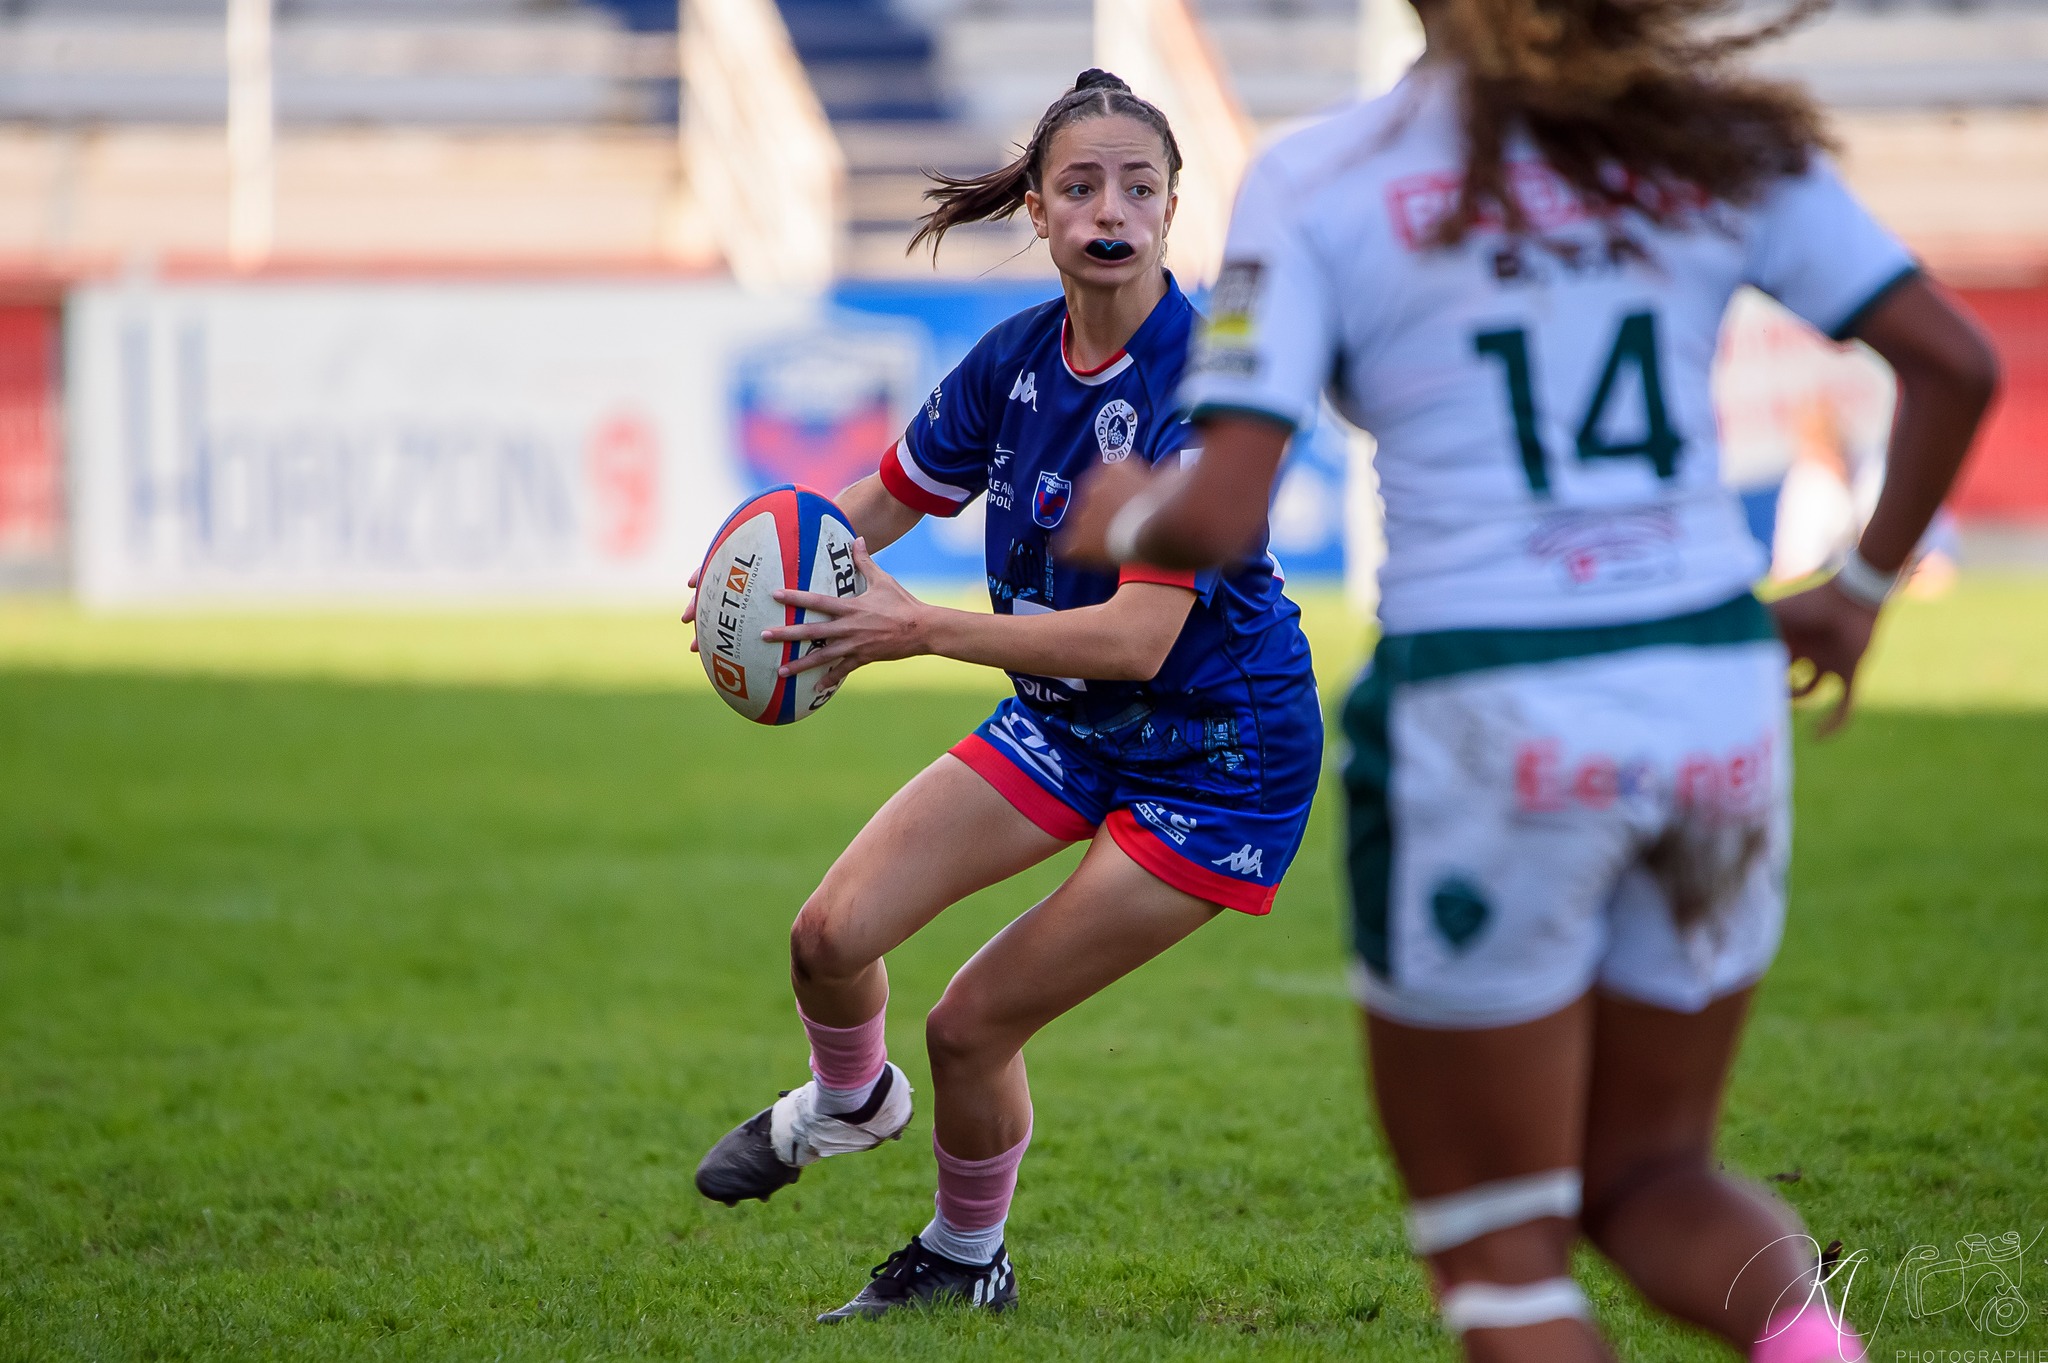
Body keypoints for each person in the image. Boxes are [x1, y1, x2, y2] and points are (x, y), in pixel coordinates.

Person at [1061, 1, 1998, 1358]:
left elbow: (1218, 519)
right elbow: (1957, 363)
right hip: (1712, 694)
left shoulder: (1325, 178)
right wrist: (1857, 593)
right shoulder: (1715, 140)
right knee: (1657, 1174)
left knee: (1501, 1251)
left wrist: (1125, 518)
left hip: (1491, 708)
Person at [682, 70, 1322, 1323]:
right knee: (827, 938)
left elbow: (1141, 637)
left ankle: (965, 1258)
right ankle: (851, 1099)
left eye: (1138, 185)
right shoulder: (1012, 359)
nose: (1109, 206)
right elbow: (873, 507)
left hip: (1214, 755)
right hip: (1067, 719)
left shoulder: (1200, 384)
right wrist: (745, 578)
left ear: (1172, 208)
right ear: (1038, 211)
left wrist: (915, 627)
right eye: (1079, 184)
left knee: (970, 1023)